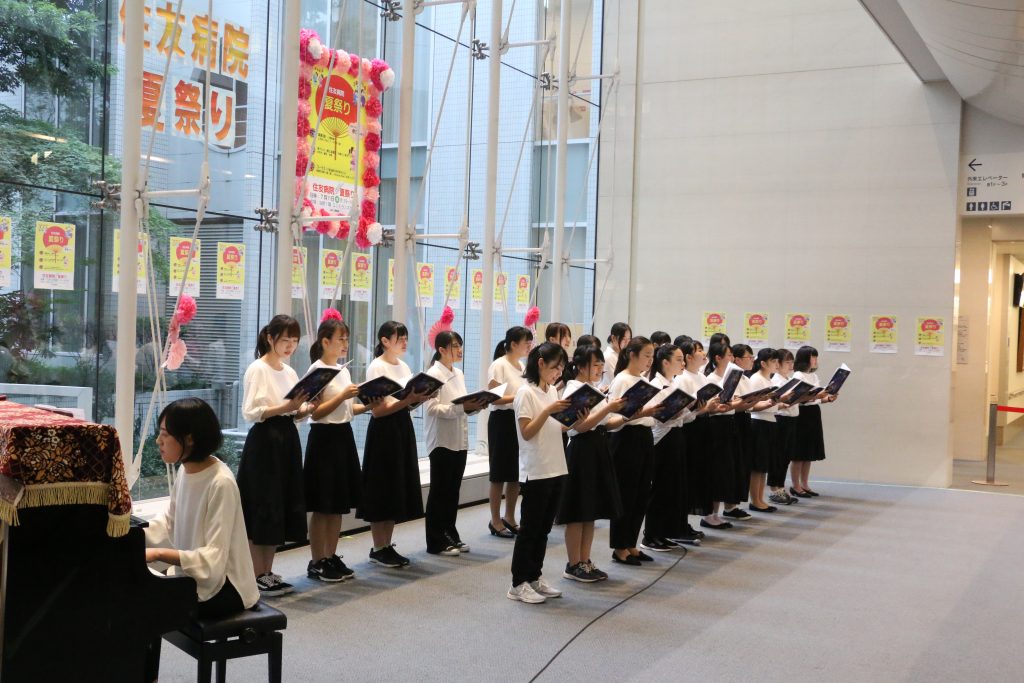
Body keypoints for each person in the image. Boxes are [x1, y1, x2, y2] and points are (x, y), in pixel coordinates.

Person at [144, 398, 259, 682]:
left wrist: (159, 554)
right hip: (196, 576)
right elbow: (169, 524)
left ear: (190, 438)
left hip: (227, 586)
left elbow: (214, 559)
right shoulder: (185, 470)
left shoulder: (221, 482)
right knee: (140, 597)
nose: (158, 441)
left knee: (147, 605)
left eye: (165, 434)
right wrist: (130, 534)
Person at [238, 314, 313, 597]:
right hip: (265, 441)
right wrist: (288, 407)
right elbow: (252, 412)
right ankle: (255, 574)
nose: (290, 346)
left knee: (278, 504)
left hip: (286, 438)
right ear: (270, 338)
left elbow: (293, 413)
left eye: (294, 341)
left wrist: (304, 408)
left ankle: (266, 571)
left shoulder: (290, 372)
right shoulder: (258, 369)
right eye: (285, 340)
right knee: (262, 505)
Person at [358, 321, 434, 568]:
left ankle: (387, 544)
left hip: (401, 426)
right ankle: (378, 546)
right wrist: (407, 400)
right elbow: (378, 410)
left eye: (406, 338)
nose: (404, 342)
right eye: (399, 338)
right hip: (383, 430)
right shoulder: (377, 366)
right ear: (384, 341)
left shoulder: (404, 366)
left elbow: (404, 404)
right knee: (381, 486)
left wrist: (418, 399)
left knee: (396, 485)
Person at [303, 311, 368, 582]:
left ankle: (330, 555)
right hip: (323, 439)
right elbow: (315, 413)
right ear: (325, 341)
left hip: (343, 436)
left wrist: (369, 404)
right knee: (322, 504)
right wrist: (342, 395)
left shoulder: (343, 370)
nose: (345, 344)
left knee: (338, 503)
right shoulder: (316, 371)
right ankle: (317, 560)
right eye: (340, 339)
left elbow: (347, 410)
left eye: (347, 339)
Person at [507, 342, 572, 604]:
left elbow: (556, 427)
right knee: (530, 529)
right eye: (555, 367)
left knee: (544, 529)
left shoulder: (552, 390)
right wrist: (547, 410)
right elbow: (527, 432)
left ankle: (534, 576)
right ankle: (517, 583)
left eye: (562, 369)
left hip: (556, 465)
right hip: (536, 469)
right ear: (541, 363)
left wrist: (574, 418)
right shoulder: (526, 393)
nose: (558, 373)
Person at [557, 345, 626, 582]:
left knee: (590, 510)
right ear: (580, 366)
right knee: (577, 511)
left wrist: (628, 413)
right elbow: (578, 427)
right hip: (581, 450)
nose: (599, 369)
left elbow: (606, 423)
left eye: (601, 365)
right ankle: (573, 563)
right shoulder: (573, 390)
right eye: (595, 364)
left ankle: (585, 561)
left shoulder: (594, 389)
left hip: (598, 447)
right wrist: (608, 408)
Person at [423, 331, 487, 556]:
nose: (459, 350)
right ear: (441, 350)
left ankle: (450, 534)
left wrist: (475, 406)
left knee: (452, 491)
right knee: (439, 491)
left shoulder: (458, 372)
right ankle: (435, 541)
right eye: (454, 346)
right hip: (441, 440)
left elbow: (461, 405)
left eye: (460, 345)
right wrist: (462, 407)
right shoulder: (432, 374)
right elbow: (432, 409)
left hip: (459, 440)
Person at [607, 337, 663, 566]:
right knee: (626, 493)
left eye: (652, 356)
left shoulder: (643, 380)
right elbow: (613, 420)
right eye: (646, 355)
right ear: (632, 355)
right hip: (626, 439)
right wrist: (640, 414)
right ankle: (619, 547)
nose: (650, 360)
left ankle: (631, 543)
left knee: (641, 494)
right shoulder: (621, 380)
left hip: (644, 436)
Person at [486, 326, 534, 538]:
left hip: (517, 419)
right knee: (499, 474)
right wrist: (518, 397)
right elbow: (493, 398)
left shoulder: (521, 365)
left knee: (515, 473)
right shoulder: (499, 365)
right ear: (513, 344)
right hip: (502, 421)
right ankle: (495, 520)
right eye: (526, 343)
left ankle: (510, 517)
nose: (529, 346)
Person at [642, 343, 688, 552]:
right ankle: (651, 535)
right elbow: (654, 416)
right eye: (678, 359)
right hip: (661, 440)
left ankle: (663, 532)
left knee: (671, 487)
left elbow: (682, 417)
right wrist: (673, 412)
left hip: (675, 435)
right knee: (659, 487)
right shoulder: (656, 385)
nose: (682, 363)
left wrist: (692, 408)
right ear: (665, 362)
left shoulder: (674, 383)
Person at [791, 346, 837, 497]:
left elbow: (816, 399)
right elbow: (799, 399)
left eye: (816, 357)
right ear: (805, 358)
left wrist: (827, 398)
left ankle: (804, 484)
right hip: (802, 414)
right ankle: (795, 485)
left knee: (808, 453)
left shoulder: (813, 375)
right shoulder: (798, 375)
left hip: (813, 413)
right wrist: (817, 396)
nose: (815, 360)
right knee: (799, 453)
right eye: (813, 357)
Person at [769, 349, 799, 505]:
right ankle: (775, 489)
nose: (790, 365)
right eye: (787, 362)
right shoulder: (775, 381)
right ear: (778, 364)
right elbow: (775, 402)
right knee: (778, 456)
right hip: (781, 419)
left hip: (791, 419)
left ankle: (781, 487)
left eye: (792, 362)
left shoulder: (790, 379)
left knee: (786, 456)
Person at [602, 322, 633, 388]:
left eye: (629, 339)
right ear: (613, 338)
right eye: (623, 339)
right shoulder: (608, 356)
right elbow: (616, 379)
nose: (627, 342)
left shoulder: (624, 354)